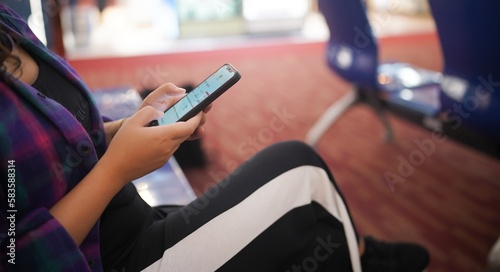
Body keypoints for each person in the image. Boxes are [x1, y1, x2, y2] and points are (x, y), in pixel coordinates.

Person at [0, 4, 429, 272]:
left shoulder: (9, 22)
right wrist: (115, 170)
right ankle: (365, 254)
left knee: (319, 238)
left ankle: (356, 248)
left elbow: (64, 146)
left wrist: (133, 125)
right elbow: (16, 257)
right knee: (300, 165)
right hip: (115, 259)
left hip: (137, 220)